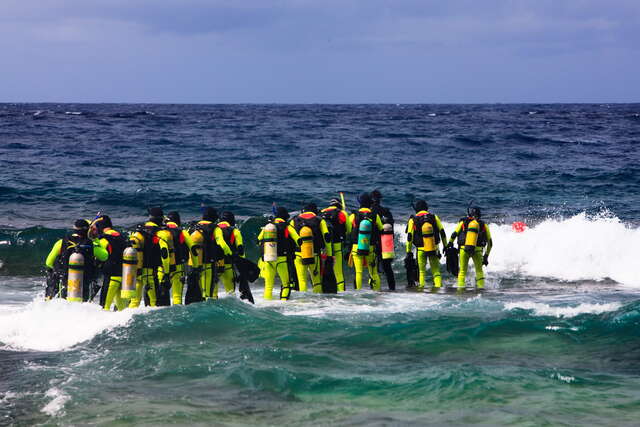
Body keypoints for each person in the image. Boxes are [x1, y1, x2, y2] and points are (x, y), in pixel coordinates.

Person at [44, 219, 108, 301]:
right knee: (82, 305)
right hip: (84, 282)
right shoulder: (91, 244)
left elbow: (48, 262)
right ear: (88, 230)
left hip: (65, 281)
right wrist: (95, 239)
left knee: (64, 303)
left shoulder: (62, 242)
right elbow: (105, 256)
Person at [127, 207, 171, 307]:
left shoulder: (138, 231)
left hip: (136, 272)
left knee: (134, 301)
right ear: (160, 219)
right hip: (150, 273)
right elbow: (164, 254)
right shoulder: (160, 233)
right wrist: (167, 272)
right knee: (154, 301)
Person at [258, 206, 300, 300]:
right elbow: (298, 239)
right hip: (282, 259)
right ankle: (283, 302)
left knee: (268, 285)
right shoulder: (287, 226)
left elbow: (259, 239)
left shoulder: (268, 226)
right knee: (286, 284)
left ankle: (267, 303)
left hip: (268, 258)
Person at [447, 206, 493, 290]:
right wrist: (486, 256)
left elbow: (454, 234)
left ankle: (460, 290)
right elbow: (490, 243)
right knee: (479, 271)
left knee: (462, 272)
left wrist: (449, 244)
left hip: (463, 250)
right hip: (478, 250)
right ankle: (481, 289)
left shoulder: (463, 222)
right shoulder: (483, 225)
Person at [405, 200, 447, 290]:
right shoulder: (434, 217)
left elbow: (409, 236)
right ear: (426, 208)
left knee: (421, 272)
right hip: (433, 247)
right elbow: (442, 232)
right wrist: (445, 246)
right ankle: (439, 289)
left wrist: (408, 251)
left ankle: (422, 291)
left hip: (420, 249)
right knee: (436, 272)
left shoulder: (413, 220)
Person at [90, 215, 129, 310]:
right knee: (121, 309)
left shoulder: (104, 239)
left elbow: (99, 257)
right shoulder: (121, 236)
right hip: (124, 277)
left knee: (104, 307)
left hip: (111, 278)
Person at [291, 203, 332, 293]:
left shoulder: (294, 220)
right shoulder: (319, 220)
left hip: (298, 254)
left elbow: (290, 237)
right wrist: (329, 255)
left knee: (302, 280)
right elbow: (327, 237)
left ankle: (304, 302)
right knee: (316, 281)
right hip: (314, 254)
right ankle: (317, 302)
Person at [348, 193, 384, 291]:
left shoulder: (353, 215)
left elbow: (348, 229)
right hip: (370, 247)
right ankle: (377, 291)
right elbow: (381, 229)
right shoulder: (374, 215)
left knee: (358, 272)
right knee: (373, 272)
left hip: (356, 247)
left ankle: (358, 293)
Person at [164, 211, 197, 305]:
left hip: (163, 267)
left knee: (162, 293)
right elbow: (193, 248)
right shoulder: (182, 231)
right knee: (177, 295)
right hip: (179, 267)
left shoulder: (161, 231)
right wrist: (195, 266)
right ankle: (176, 316)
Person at [320, 198, 351, 292]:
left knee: (323, 271)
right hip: (337, 244)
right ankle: (341, 291)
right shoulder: (342, 213)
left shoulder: (322, 212)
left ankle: (320, 290)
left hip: (325, 246)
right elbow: (349, 230)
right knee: (338, 272)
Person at [189, 207, 218, 300]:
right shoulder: (215, 229)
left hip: (192, 265)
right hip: (208, 263)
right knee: (207, 293)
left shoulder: (192, 228)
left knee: (196, 291)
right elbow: (222, 244)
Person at [214, 211, 245, 298]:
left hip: (215, 264)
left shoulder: (214, 229)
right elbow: (241, 250)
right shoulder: (235, 231)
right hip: (228, 264)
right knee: (231, 292)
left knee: (212, 293)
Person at [370, 190, 396, 290]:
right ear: (380, 199)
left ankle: (375, 290)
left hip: (374, 242)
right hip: (386, 242)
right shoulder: (387, 211)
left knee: (373, 268)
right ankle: (392, 288)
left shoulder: (370, 212)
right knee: (388, 268)